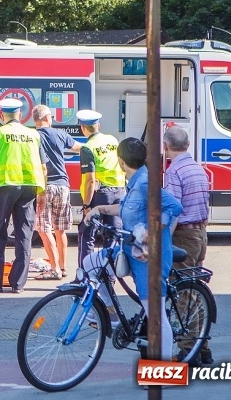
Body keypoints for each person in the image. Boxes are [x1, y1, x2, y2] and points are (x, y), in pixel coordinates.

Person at [85, 138, 183, 361]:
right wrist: (99, 208)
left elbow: (174, 206)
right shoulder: (135, 183)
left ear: (120, 162)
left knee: (156, 318)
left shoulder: (145, 183)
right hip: (130, 250)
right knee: (90, 264)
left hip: (149, 257)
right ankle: (108, 314)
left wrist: (152, 232)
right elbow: (127, 209)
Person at [0, 98, 47, 294]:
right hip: (29, 187)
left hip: (4, 185)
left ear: (2, 115)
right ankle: (18, 284)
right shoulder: (33, 134)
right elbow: (43, 167)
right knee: (24, 234)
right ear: (20, 114)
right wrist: (42, 191)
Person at [163, 125, 213, 364]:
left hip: (184, 235)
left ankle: (187, 349)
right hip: (201, 233)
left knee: (183, 293)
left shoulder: (174, 172)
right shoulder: (198, 169)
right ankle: (202, 346)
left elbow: (173, 210)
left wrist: (164, 239)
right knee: (196, 291)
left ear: (166, 146)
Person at [32, 104, 82, 280]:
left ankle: (54, 270)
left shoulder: (34, 136)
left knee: (44, 229)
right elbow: (79, 147)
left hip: (45, 186)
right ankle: (62, 266)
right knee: (60, 230)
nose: (52, 118)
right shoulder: (60, 134)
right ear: (46, 118)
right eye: (51, 116)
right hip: (63, 185)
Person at [76, 109, 126, 270]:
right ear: (98, 125)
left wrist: (86, 205)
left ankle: (85, 275)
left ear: (82, 128)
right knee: (112, 237)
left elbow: (90, 180)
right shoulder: (112, 140)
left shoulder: (87, 148)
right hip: (120, 191)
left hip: (101, 194)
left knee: (87, 234)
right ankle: (109, 276)